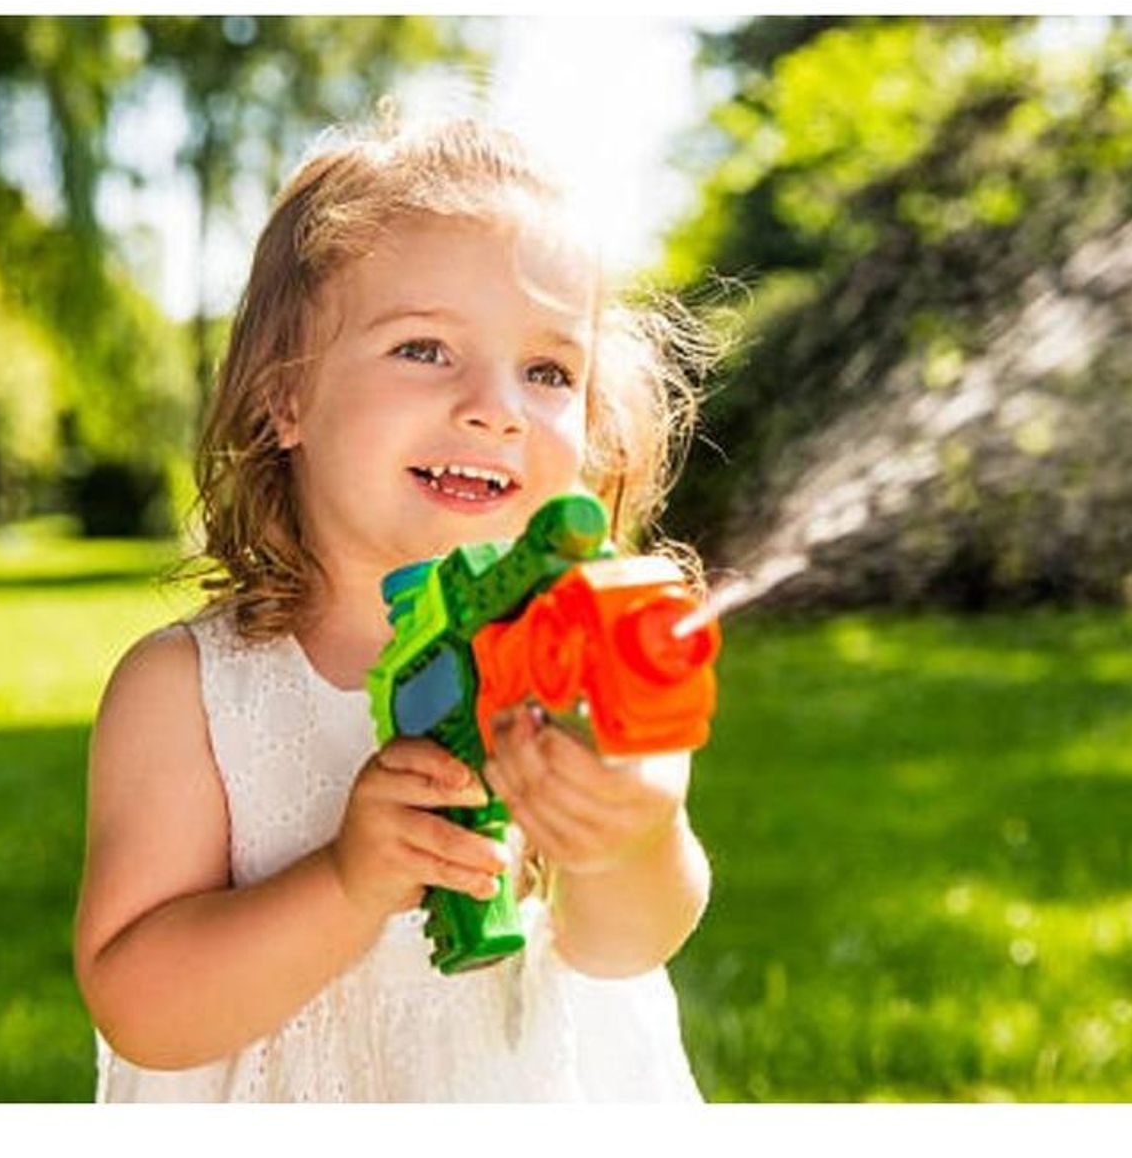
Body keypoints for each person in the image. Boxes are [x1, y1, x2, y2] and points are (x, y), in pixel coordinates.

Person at [73, 107, 722, 1102]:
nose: (496, 405)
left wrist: (628, 836)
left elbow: (628, 945)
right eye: (424, 348)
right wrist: (345, 883)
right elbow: (139, 1001)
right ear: (285, 395)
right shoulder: (189, 692)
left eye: (549, 370)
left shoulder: (584, 659)